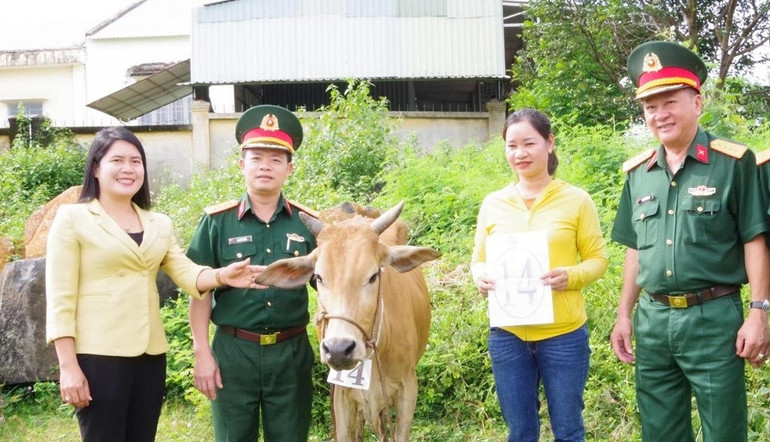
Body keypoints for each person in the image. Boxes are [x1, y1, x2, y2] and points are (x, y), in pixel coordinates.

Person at [45, 126, 260, 442]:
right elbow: (60, 298)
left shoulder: (158, 223)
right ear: (96, 167)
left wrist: (221, 276)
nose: (128, 169)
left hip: (149, 356)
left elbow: (186, 272)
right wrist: (68, 366)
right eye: (117, 160)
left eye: (136, 161)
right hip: (98, 355)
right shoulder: (73, 218)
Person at [609, 41, 770, 442]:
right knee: (660, 431)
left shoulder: (734, 163)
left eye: (669, 101)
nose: (659, 114)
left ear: (697, 103)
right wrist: (624, 314)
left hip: (714, 319)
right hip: (653, 321)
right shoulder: (638, 174)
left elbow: (755, 240)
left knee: (724, 431)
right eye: (650, 106)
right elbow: (635, 250)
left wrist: (758, 313)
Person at [471, 108, 608, 441]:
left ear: (549, 143)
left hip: (564, 336)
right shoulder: (493, 203)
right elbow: (478, 259)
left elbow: (597, 260)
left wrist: (571, 276)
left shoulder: (577, 201)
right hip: (507, 336)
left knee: (569, 429)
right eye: (511, 145)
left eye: (529, 143)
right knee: (519, 431)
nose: (520, 153)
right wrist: (481, 275)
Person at [186, 104, 317, 441]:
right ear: (242, 164)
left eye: (276, 159)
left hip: (291, 353)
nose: (265, 166)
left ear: (289, 168)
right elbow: (199, 289)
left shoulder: (307, 224)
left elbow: (334, 286)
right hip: (233, 352)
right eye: (257, 157)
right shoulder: (217, 221)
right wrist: (202, 353)